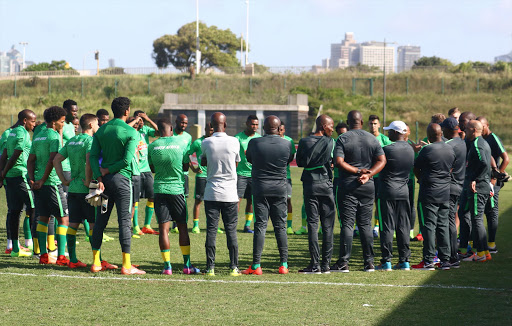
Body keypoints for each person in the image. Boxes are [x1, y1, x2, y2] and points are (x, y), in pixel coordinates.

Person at [89, 97, 145, 275]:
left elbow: (91, 157)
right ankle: (126, 265)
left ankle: (96, 262)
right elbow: (127, 160)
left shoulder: (101, 130)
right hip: (122, 183)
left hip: (103, 185)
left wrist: (99, 176)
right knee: (124, 222)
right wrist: (108, 171)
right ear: (127, 111)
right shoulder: (131, 132)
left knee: (100, 221)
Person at [331, 111, 386, 273]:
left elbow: (339, 162)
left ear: (348, 123)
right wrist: (369, 174)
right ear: (361, 122)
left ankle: (343, 263)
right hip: (368, 186)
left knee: (347, 224)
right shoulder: (372, 138)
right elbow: (382, 160)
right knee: (365, 224)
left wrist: (357, 171)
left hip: (348, 184)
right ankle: (369, 262)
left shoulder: (343, 138)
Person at [242, 115, 295, 275]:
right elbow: (289, 159)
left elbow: (249, 159)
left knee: (260, 226)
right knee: (281, 226)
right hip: (280, 188)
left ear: (263, 128)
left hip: (260, 188)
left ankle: (256, 265)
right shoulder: (287, 143)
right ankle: (283, 264)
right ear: (280, 129)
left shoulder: (254, 142)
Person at [148, 118, 200, 275]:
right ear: (171, 129)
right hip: (177, 190)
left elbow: (152, 168)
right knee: (182, 226)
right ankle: (187, 266)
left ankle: (167, 267)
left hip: (159, 190)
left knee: (164, 229)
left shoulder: (152, 146)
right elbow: (188, 166)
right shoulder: (181, 144)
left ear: (159, 131)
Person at [54, 114, 100, 268]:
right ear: (92, 125)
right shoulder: (91, 141)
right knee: (94, 224)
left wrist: (63, 180)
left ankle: (73, 260)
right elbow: (89, 161)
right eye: (98, 124)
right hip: (89, 189)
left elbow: (56, 160)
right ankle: (96, 261)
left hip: (73, 188)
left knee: (73, 224)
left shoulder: (72, 141)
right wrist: (88, 181)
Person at [27, 106, 70, 265]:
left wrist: (33, 180)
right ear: (54, 122)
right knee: (63, 219)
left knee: (43, 218)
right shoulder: (53, 137)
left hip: (38, 184)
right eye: (62, 122)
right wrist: (44, 180)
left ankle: (44, 256)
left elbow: (30, 161)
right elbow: (53, 160)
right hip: (51, 183)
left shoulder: (38, 136)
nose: (63, 125)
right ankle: (61, 256)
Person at [201, 113, 241, 276]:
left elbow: (204, 161)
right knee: (231, 231)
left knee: (211, 230)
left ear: (211, 125)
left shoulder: (206, 142)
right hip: (230, 193)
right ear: (225, 125)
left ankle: (210, 268)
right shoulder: (235, 141)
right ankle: (234, 267)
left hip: (211, 193)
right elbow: (236, 163)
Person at [412, 123, 455, 271]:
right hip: (445, 193)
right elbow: (451, 167)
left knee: (429, 227)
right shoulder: (450, 148)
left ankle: (429, 260)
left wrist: (420, 179)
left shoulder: (426, 150)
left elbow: (416, 167)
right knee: (443, 226)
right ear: (440, 133)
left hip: (429, 193)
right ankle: (445, 260)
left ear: (429, 136)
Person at [296, 115, 335, 274]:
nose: (332, 129)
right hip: (326, 185)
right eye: (330, 125)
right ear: (323, 126)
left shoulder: (305, 141)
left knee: (313, 224)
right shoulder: (331, 142)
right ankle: (326, 265)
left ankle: (315, 265)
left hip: (310, 185)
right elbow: (334, 162)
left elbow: (300, 163)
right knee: (328, 226)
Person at [376, 121, 414, 271]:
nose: (387, 133)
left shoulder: (386, 149)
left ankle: (386, 261)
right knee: (403, 226)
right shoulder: (411, 149)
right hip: (404, 191)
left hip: (387, 190)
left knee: (387, 226)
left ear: (396, 132)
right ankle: (404, 261)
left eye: (390, 131)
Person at [0, 110, 37, 257]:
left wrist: (2, 175)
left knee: (14, 211)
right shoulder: (22, 133)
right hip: (21, 176)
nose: (34, 125)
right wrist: (3, 172)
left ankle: (15, 248)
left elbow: (4, 155)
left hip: (10, 177)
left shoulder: (11, 132)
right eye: (32, 121)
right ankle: (37, 249)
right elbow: (16, 153)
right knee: (34, 208)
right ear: (24, 120)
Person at [460, 120, 493, 262]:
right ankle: (485, 251)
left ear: (473, 130)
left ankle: (480, 254)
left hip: (478, 188)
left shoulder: (477, 144)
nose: (464, 131)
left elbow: (484, 164)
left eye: (466, 129)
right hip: (481, 186)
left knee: (477, 220)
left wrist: (474, 179)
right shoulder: (482, 142)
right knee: (474, 218)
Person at [478, 116, 509, 254]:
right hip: (481, 180)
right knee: (480, 211)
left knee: (491, 212)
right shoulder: (479, 139)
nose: (480, 129)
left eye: (482, 126)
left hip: (492, 182)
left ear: (487, 125)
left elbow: (506, 159)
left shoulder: (493, 138)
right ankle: (477, 242)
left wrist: (495, 178)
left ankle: (491, 244)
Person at [440, 117, 467, 268]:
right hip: (458, 185)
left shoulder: (448, 144)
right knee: (450, 219)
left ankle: (452, 256)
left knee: (448, 221)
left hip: (449, 186)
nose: (442, 131)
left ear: (449, 130)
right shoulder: (461, 143)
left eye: (443, 129)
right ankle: (451, 255)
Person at [188, 124, 219, 234]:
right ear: (205, 129)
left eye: (213, 130)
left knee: (215, 202)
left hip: (214, 175)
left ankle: (214, 225)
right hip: (202, 176)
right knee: (198, 200)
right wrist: (193, 168)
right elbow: (188, 154)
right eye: (209, 130)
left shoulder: (216, 142)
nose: (211, 132)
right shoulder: (198, 142)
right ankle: (196, 225)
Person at [133, 110, 159, 234]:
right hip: (136, 171)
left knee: (152, 196)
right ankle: (136, 226)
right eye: (139, 119)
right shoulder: (132, 132)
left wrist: (148, 119)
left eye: (142, 119)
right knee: (135, 199)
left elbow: (159, 131)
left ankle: (147, 225)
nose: (141, 122)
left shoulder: (146, 130)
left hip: (147, 169)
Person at [235, 115, 261, 233]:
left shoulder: (259, 138)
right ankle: (233, 224)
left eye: (256, 124)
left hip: (254, 174)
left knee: (251, 200)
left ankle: (247, 225)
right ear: (247, 124)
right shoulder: (237, 138)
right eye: (252, 124)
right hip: (240, 173)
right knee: (237, 199)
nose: (254, 127)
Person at [368, 115, 392, 238]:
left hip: (379, 177)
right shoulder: (365, 138)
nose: (373, 126)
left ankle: (376, 227)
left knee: (378, 203)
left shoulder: (385, 139)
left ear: (379, 125)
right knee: (365, 203)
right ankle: (361, 226)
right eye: (371, 123)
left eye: (375, 123)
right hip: (367, 176)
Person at [457, 111, 476, 257]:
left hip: (473, 184)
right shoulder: (466, 140)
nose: (460, 123)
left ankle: (476, 249)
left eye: (463, 121)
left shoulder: (477, 142)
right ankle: (465, 248)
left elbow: (486, 162)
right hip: (465, 182)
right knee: (464, 214)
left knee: (473, 216)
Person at [170, 114, 192, 233]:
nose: (183, 125)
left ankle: (179, 222)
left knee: (183, 198)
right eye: (182, 122)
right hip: (172, 171)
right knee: (173, 197)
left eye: (185, 123)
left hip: (184, 172)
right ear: (176, 122)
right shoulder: (170, 135)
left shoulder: (188, 137)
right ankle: (173, 222)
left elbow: (189, 155)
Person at [279, 121, 297, 235]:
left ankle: (289, 226)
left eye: (282, 129)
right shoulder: (270, 141)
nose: (280, 131)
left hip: (286, 176)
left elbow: (290, 157)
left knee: (288, 200)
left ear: (284, 130)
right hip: (273, 177)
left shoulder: (289, 140)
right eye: (278, 129)